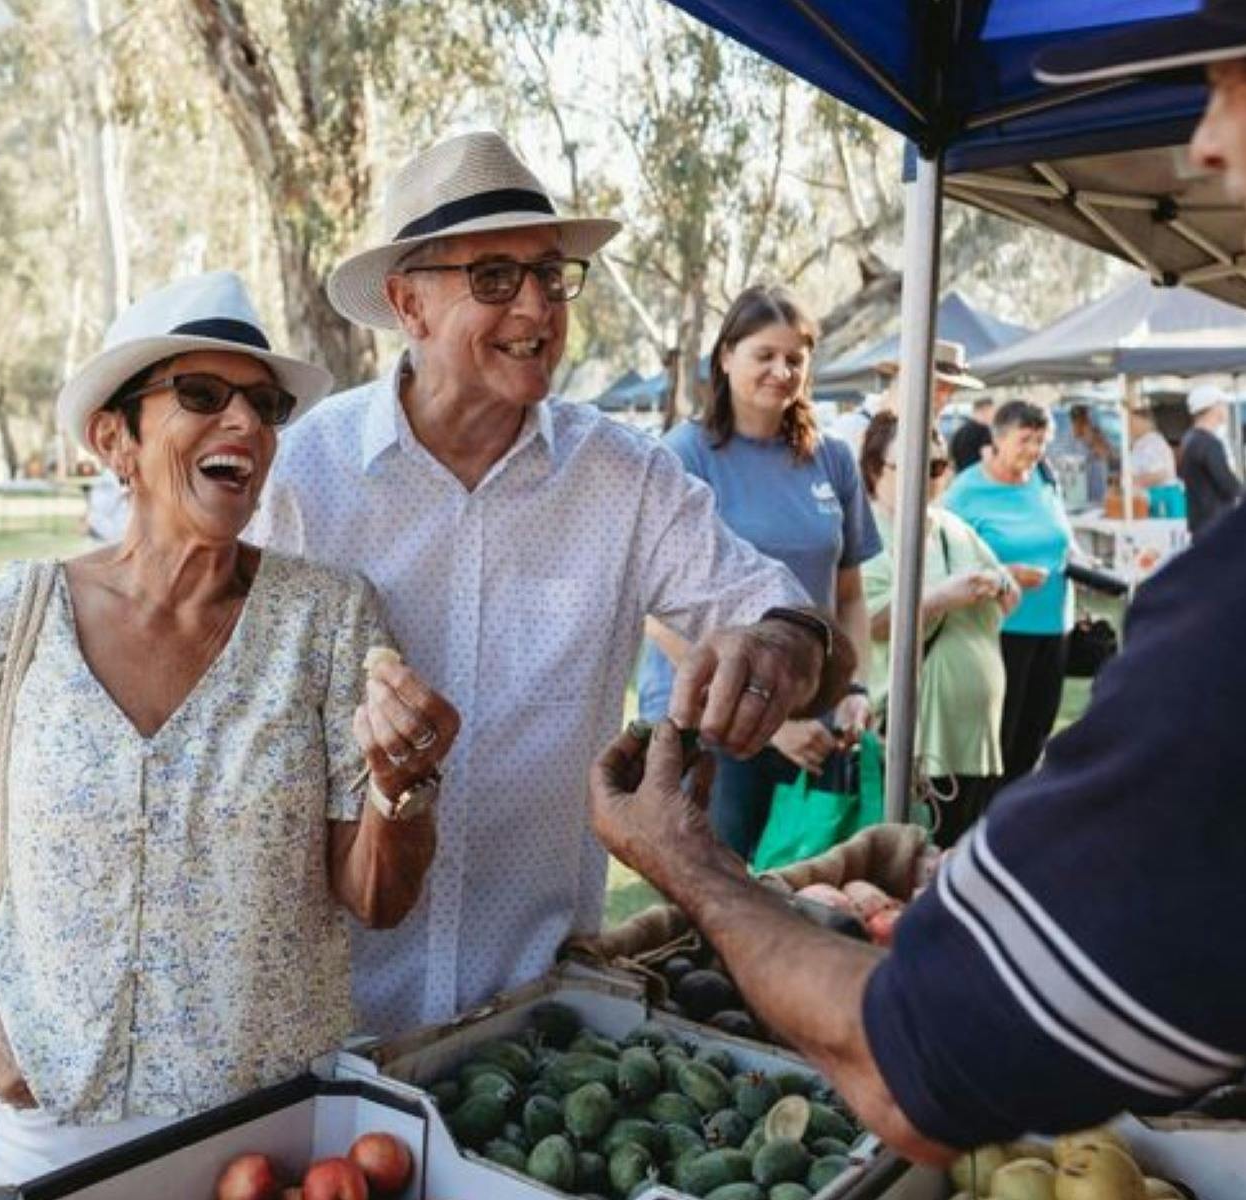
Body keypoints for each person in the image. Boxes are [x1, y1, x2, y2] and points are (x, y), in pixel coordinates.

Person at [588, 13, 1246, 1163]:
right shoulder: (681, 456)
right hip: (724, 732)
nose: (1201, 141)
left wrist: (689, 858)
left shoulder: (1222, 627)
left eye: (1237, 81)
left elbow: (926, 1057)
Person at [250, 130, 849, 1035]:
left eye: (549, 273)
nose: (536, 305)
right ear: (409, 304)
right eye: (494, 277)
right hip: (329, 1017)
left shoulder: (625, 478)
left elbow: (787, 615)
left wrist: (782, 645)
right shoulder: (303, 476)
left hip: (536, 1022)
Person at [0, 273, 461, 1184]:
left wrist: (402, 789)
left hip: (265, 1132)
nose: (244, 423)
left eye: (264, 405)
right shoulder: (13, 618)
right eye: (201, 395)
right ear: (114, 439)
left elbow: (375, 898)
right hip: (51, 1119)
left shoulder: (326, 622)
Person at [637, 286, 879, 860]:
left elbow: (848, 595)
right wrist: (771, 723)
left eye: (795, 358)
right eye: (764, 355)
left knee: (808, 888)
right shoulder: (684, 454)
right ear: (726, 356)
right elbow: (655, 613)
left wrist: (853, 689)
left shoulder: (833, 459)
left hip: (813, 722)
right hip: (710, 724)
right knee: (713, 892)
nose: (781, 371)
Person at [858, 413, 1018, 847]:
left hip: (976, 737)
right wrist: (944, 596)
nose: (927, 478)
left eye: (936, 466)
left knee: (960, 855)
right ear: (874, 468)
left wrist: (1000, 584)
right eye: (911, 465)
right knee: (910, 858)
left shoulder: (953, 527)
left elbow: (1010, 592)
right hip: (916, 740)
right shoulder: (868, 532)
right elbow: (870, 623)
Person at [944, 400, 1074, 787]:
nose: (1034, 450)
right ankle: (987, 816)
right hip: (998, 630)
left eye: (1041, 440)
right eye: (1025, 440)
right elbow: (943, 559)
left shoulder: (1043, 480)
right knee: (1000, 739)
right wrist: (1004, 575)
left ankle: (1019, 813)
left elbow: (1062, 540)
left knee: (1035, 736)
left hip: (1054, 627)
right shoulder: (966, 491)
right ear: (998, 439)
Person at [827, 339, 985, 456]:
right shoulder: (849, 430)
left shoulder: (929, 438)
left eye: (950, 391)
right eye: (939, 388)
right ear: (906, 380)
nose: (944, 399)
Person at [1180, 382, 1245, 536]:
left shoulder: (1189, 438)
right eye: (1223, 404)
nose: (1226, 409)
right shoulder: (1208, 443)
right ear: (1214, 407)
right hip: (1216, 523)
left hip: (1200, 522)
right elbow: (1226, 483)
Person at [1126, 404, 1185, 518]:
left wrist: (1131, 482)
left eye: (1131, 421)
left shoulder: (1151, 443)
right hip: (1154, 499)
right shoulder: (1142, 442)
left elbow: (1160, 474)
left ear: (1144, 421)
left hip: (1162, 500)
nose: (1128, 426)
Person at [82, 466, 130, 543]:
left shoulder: (110, 477)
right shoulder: (104, 477)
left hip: (111, 533)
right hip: (107, 532)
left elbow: (102, 507)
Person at [948, 396, 995, 473]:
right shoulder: (984, 431)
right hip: (977, 476)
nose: (992, 417)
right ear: (985, 411)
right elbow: (988, 458)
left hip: (961, 477)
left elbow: (952, 459)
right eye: (992, 413)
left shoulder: (959, 432)